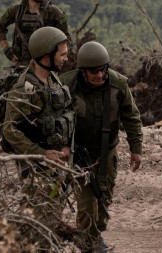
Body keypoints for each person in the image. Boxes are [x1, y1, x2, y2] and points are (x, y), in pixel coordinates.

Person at [60, 41, 144, 253]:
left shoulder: (118, 85)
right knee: (87, 203)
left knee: (104, 200)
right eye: (94, 72)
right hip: (79, 153)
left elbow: (132, 118)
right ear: (83, 71)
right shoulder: (66, 86)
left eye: (103, 70)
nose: (100, 75)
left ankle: (93, 236)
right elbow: (55, 120)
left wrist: (136, 149)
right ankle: (88, 244)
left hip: (107, 152)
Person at [0, 26, 75, 237]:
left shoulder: (53, 79)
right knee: (37, 219)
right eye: (62, 54)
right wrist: (41, 155)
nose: (66, 59)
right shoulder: (23, 89)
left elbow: (66, 112)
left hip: (55, 161)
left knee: (51, 212)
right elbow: (10, 130)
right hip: (34, 165)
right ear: (46, 55)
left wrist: (66, 146)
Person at [0, 0, 70, 66]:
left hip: (46, 67)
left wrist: (57, 57)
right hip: (21, 66)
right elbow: (0, 26)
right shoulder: (16, 11)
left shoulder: (55, 13)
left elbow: (66, 39)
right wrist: (6, 49)